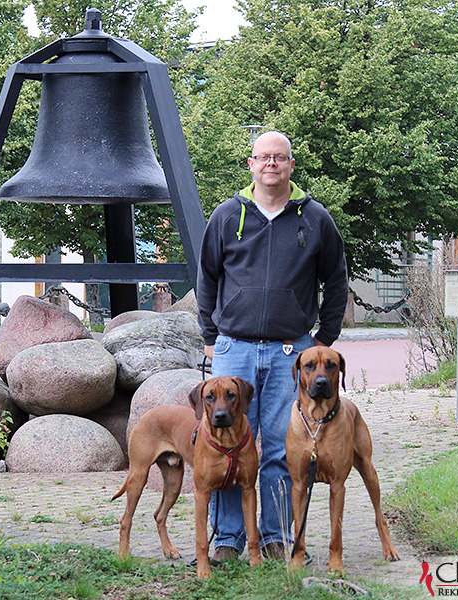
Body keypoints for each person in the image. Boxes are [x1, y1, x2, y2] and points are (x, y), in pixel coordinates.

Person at [195, 130, 349, 561]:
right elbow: (206, 279)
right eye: (263, 158)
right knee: (225, 444)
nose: (271, 165)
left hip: (290, 352)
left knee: (283, 448)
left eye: (279, 158)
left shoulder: (315, 218)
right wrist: (211, 337)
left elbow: (336, 280)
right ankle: (226, 541)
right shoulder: (227, 216)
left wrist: (323, 340)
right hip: (234, 349)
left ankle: (278, 537)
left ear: (291, 165)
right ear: (251, 164)